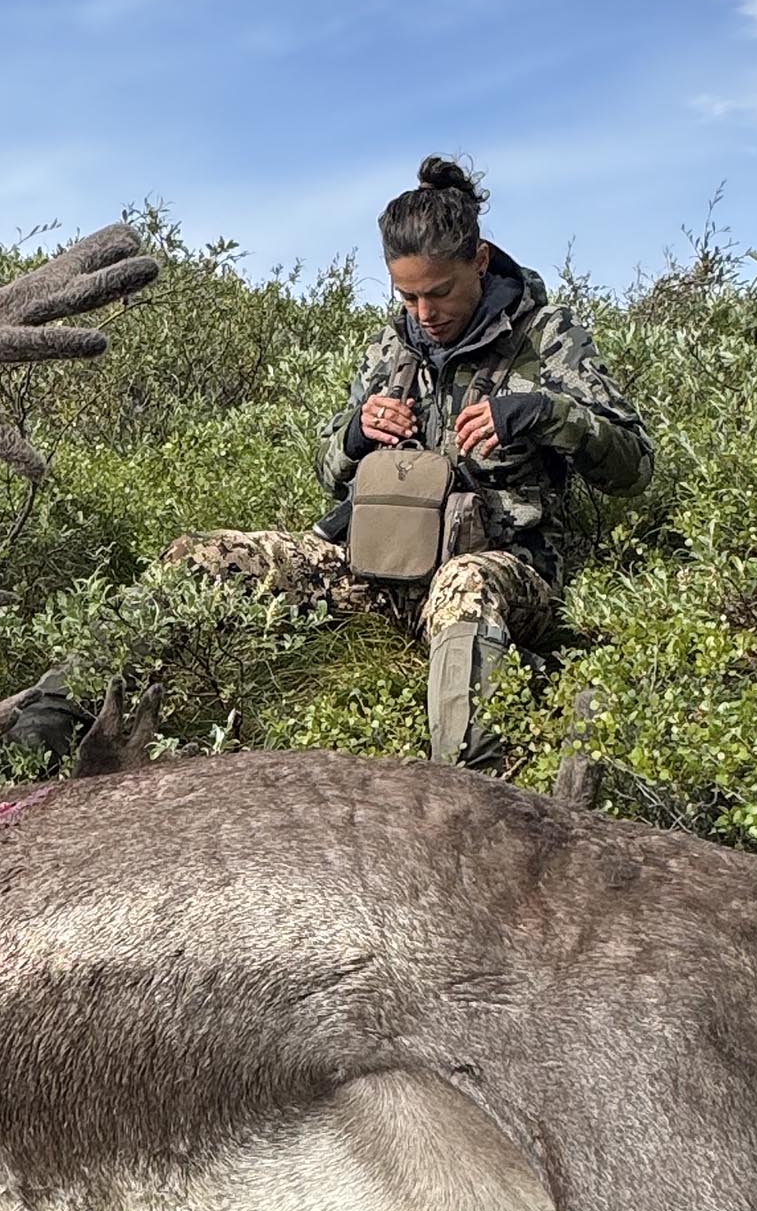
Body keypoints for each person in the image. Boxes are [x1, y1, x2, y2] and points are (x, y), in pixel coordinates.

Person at [164, 156, 652, 767]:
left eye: (439, 292)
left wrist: (544, 412)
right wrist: (356, 435)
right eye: (408, 296)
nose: (425, 314)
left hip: (499, 567)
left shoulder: (546, 335)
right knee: (204, 557)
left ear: (479, 260)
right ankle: (63, 717)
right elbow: (328, 472)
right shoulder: (393, 345)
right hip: (376, 568)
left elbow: (633, 469)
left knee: (463, 586)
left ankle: (473, 793)